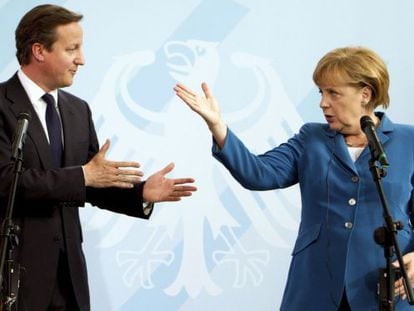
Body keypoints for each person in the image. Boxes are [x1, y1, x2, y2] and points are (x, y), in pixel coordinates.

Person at [175, 46, 414, 310]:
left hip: (389, 286)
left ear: (365, 94)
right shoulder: (311, 138)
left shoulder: (409, 141)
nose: (323, 103)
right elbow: (258, 173)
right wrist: (217, 126)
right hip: (316, 284)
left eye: (333, 93)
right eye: (321, 92)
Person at [0, 4, 197, 311]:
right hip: (15, 276)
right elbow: (6, 182)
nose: (82, 59)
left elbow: (91, 182)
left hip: (69, 279)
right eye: (72, 49)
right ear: (39, 50)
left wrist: (140, 193)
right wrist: (83, 176)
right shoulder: (2, 105)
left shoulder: (78, 110)